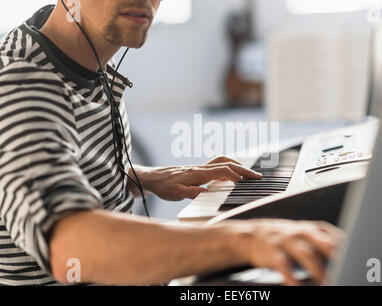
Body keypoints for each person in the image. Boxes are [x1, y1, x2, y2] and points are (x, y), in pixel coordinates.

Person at [0, 0, 342, 286]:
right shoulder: (21, 84)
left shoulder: (82, 57)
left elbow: (47, 166)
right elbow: (69, 246)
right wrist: (249, 239)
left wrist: (140, 177)